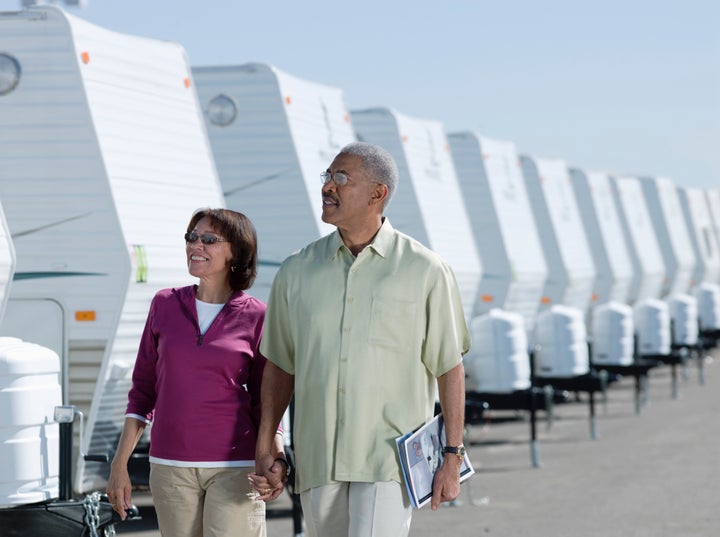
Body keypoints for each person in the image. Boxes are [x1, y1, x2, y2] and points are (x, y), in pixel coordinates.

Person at [250, 142, 470, 537]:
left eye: (341, 178)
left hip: (389, 460)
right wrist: (267, 444)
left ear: (377, 193)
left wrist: (452, 457)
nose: (327, 187)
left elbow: (449, 367)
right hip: (319, 458)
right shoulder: (296, 270)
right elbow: (280, 366)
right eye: (326, 177)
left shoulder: (426, 270)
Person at [106, 208, 286, 537]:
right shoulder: (164, 304)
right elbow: (143, 391)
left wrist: (275, 458)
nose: (195, 246)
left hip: (235, 467)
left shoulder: (258, 315)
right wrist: (119, 464)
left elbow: (268, 400)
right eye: (191, 238)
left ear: (237, 252)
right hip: (169, 465)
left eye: (208, 240)